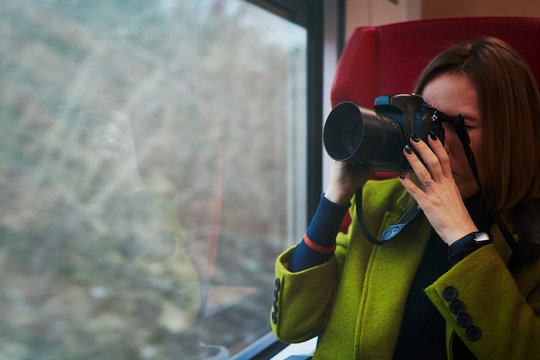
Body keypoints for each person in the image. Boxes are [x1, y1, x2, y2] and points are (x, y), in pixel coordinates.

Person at [270, 37, 540, 359]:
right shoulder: (380, 203)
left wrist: (463, 237)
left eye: (464, 125)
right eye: (431, 122)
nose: (437, 143)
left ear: (513, 133)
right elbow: (292, 327)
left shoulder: (531, 235)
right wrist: (334, 201)